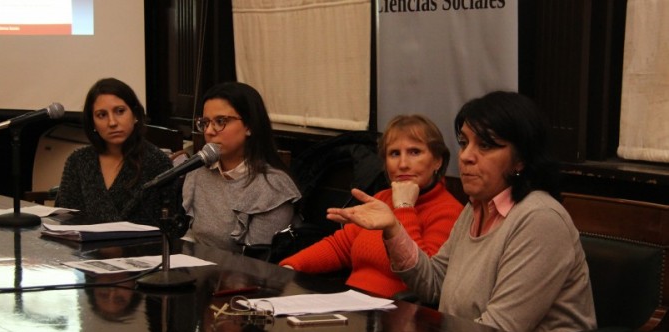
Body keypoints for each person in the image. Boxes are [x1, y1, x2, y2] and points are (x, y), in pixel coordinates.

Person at [326, 91, 596, 332]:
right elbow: (433, 284)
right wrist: (393, 229)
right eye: (465, 143)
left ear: (520, 160)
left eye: (486, 146)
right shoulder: (476, 207)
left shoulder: (540, 219)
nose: (466, 156)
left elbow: (501, 331)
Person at [279, 115, 463, 298]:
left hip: (400, 316)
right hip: (351, 303)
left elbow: (425, 279)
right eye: (394, 154)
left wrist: (404, 208)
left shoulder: (449, 211)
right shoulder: (382, 198)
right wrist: (288, 268)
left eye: (415, 152)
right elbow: (340, 247)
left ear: (437, 161)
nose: (403, 164)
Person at [182, 82, 300, 253]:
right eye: (205, 122)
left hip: (241, 276)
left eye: (220, 121)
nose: (209, 131)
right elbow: (192, 236)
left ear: (249, 126)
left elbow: (256, 262)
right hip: (195, 271)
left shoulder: (273, 187)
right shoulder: (198, 171)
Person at [56, 77, 174, 226]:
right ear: (92, 123)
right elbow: (65, 219)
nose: (112, 122)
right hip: (83, 247)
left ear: (135, 115)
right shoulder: (78, 160)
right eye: (102, 115)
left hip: (143, 248)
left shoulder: (157, 162)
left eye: (120, 111)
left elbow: (166, 227)